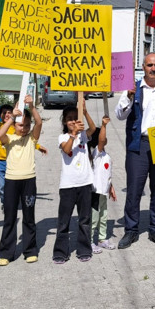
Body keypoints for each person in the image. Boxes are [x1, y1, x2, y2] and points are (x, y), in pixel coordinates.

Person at [115, 53, 155, 249]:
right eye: (150, 65)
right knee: (134, 189)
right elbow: (119, 115)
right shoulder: (133, 88)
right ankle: (131, 230)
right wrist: (129, 96)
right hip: (138, 145)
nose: (153, 69)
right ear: (143, 67)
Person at [0, 95, 43, 265]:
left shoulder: (31, 138)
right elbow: (0, 133)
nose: (24, 128)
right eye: (20, 125)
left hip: (29, 181)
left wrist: (31, 106)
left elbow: (39, 123)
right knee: (10, 217)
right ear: (14, 125)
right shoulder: (9, 139)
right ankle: (6, 253)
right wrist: (12, 118)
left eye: (27, 125)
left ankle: (30, 250)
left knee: (29, 217)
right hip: (11, 181)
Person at [52, 102, 97, 264]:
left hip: (85, 183)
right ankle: (60, 252)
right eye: (69, 119)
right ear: (65, 122)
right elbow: (66, 149)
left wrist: (85, 113)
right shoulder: (63, 137)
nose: (72, 121)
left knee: (84, 220)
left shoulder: (84, 135)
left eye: (75, 118)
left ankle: (84, 249)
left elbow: (93, 129)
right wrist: (73, 134)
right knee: (64, 221)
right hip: (68, 186)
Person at [0, 104, 47, 209]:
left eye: (9, 112)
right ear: (0, 115)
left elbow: (26, 142)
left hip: (11, 162)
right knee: (1, 185)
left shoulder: (16, 128)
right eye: (4, 113)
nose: (7, 115)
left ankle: (11, 201)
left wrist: (37, 146)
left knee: (10, 186)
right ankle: (6, 201)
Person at [90, 116, 117, 254]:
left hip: (104, 191)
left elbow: (106, 173)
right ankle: (89, 240)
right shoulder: (96, 152)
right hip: (95, 191)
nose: (105, 138)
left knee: (103, 215)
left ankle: (102, 238)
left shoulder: (105, 155)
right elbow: (100, 140)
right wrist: (104, 125)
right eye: (102, 136)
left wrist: (111, 187)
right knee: (94, 218)